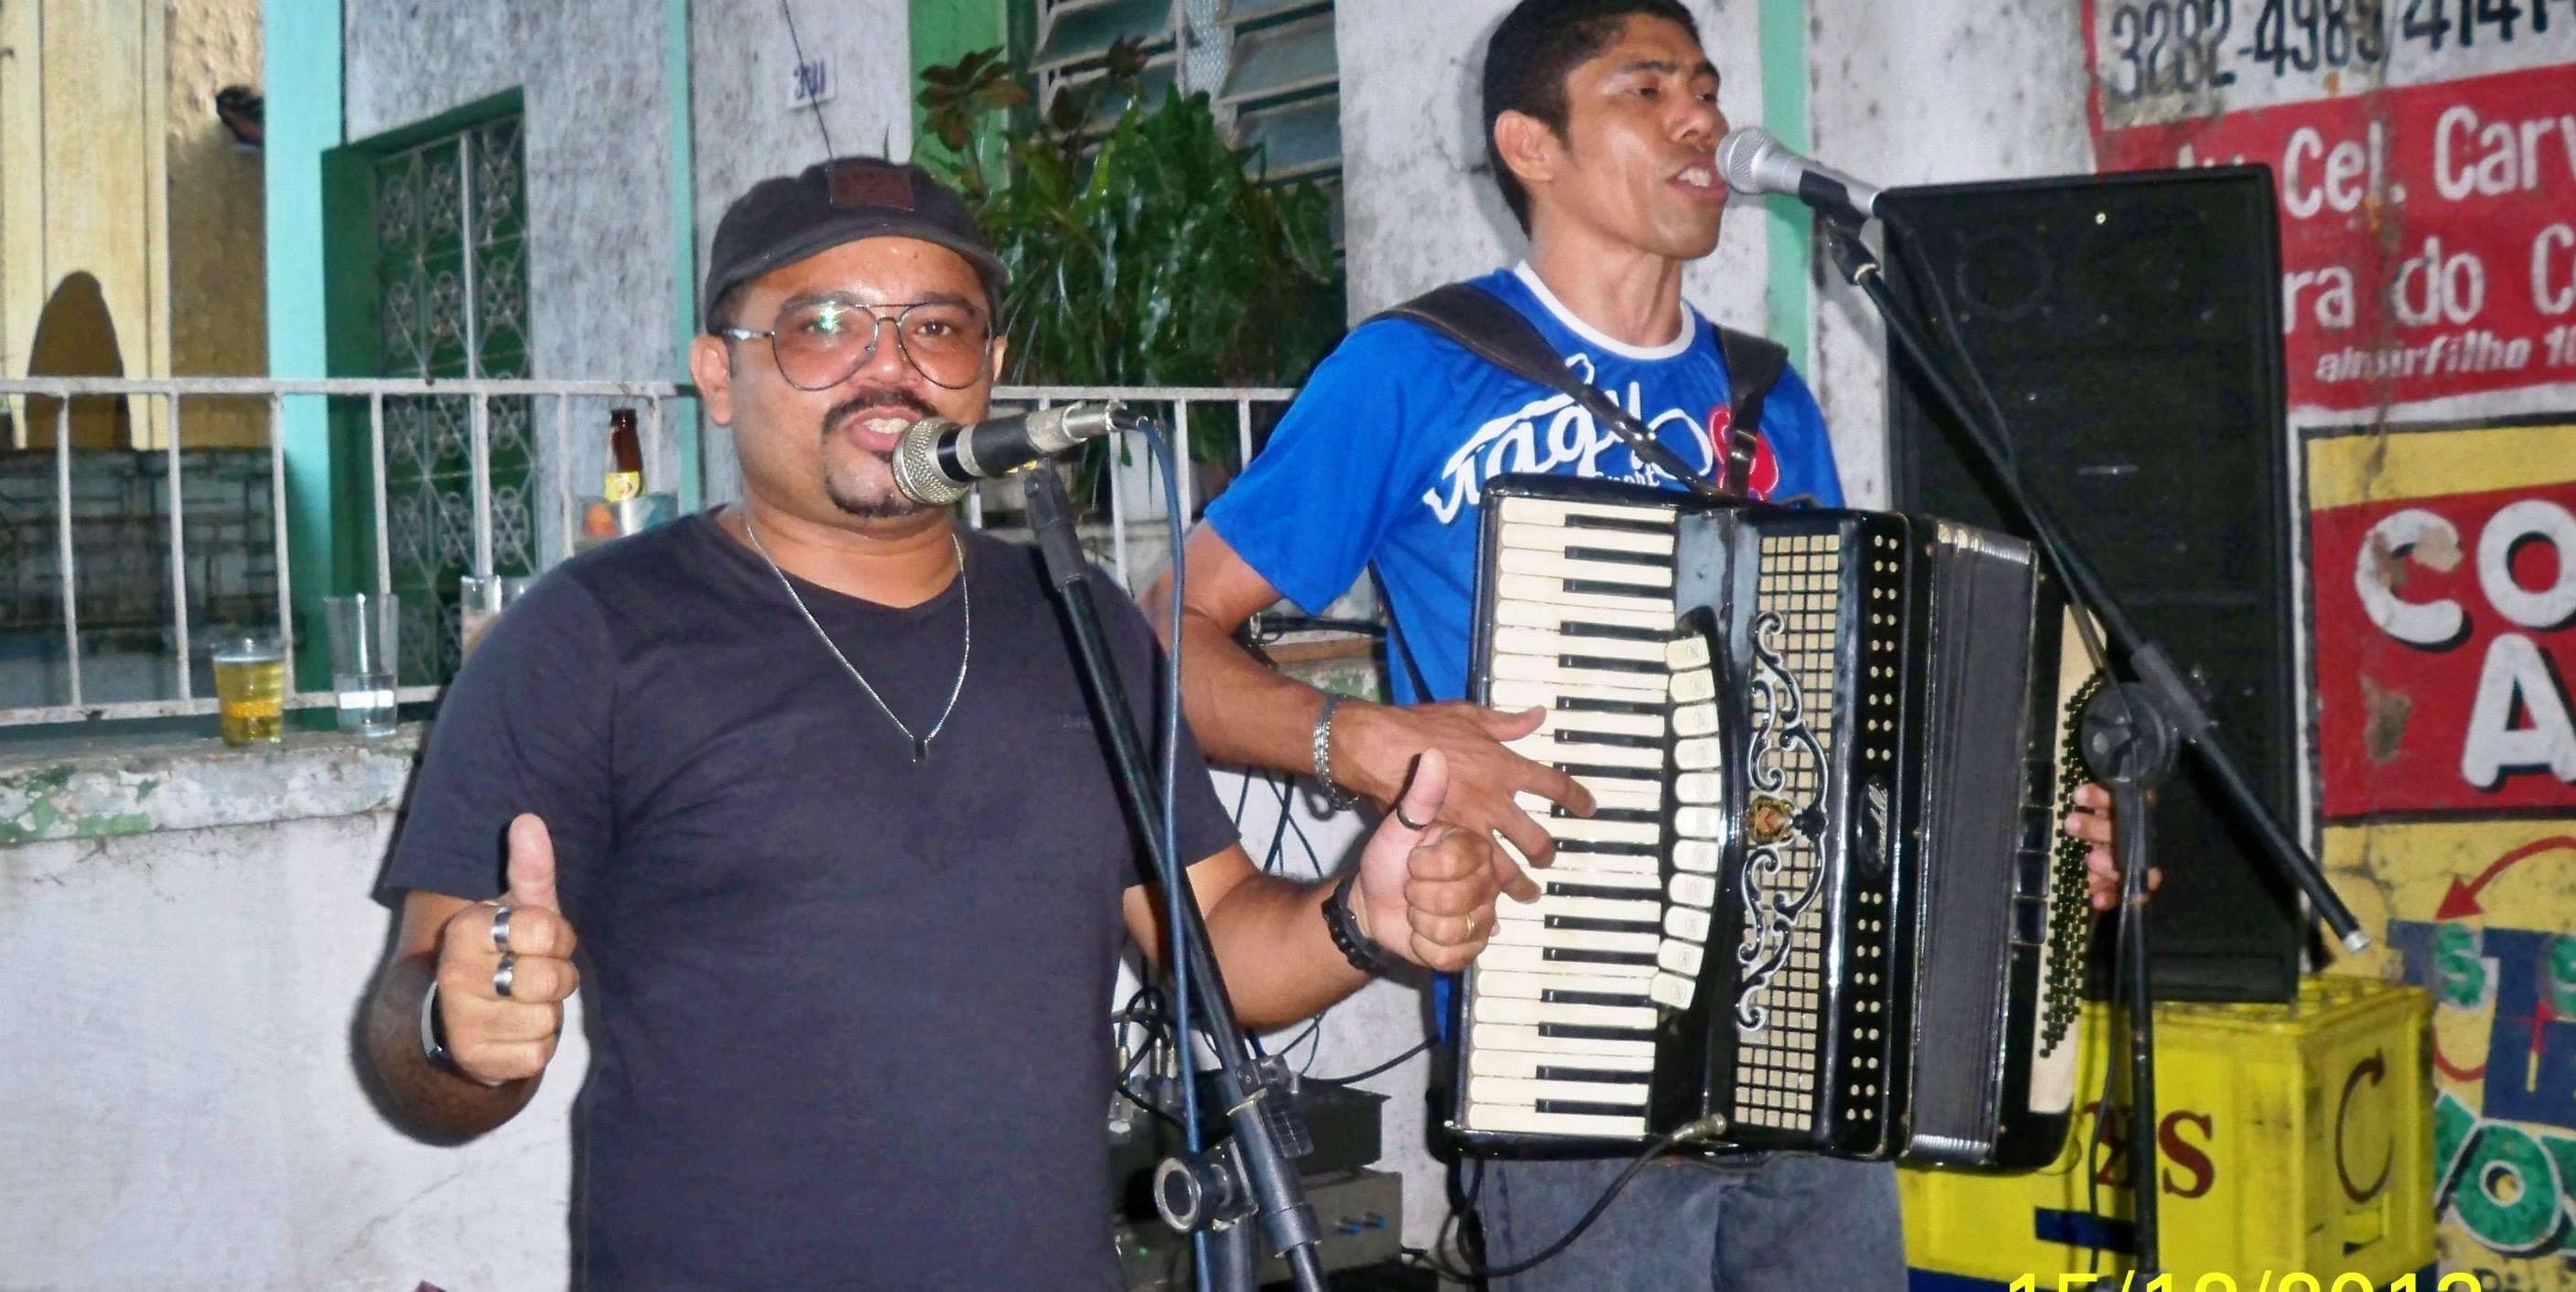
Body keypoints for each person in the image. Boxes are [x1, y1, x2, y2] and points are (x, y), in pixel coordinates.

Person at [360, 156, 1513, 1290]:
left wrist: (1363, 916)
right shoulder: (587, 636)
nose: (889, 368)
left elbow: (1220, 947)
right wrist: (458, 1031)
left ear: (990, 370)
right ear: (719, 373)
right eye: (823, 326)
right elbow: (412, 1042)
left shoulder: (1080, 618)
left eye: (936, 328)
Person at [1146, 3, 2131, 1289]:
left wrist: (2025, 849)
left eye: (1706, 88)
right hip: (1563, 1055)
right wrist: (1362, 742)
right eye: (1646, 87)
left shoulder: (1766, 399)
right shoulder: (1412, 372)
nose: (1700, 118)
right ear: (1531, 146)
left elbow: (1854, 729)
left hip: (1806, 1042)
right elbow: (1163, 635)